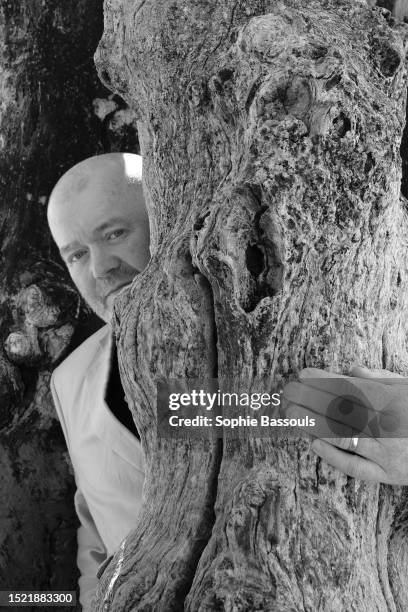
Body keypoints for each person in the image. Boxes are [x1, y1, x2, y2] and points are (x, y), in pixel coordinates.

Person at [47, 152, 150, 610]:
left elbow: (386, 421)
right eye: (77, 254)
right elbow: (95, 527)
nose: (100, 268)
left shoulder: (261, 328)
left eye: (114, 233)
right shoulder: (69, 381)